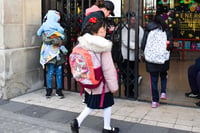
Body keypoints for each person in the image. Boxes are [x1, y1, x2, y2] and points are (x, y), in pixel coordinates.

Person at [70, 18, 119, 133]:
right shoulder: (103, 45)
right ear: (94, 32)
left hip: (89, 81)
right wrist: (113, 86)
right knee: (105, 104)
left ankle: (79, 122)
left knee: (92, 105)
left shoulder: (82, 43)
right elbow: (108, 68)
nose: (104, 33)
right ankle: (104, 127)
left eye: (105, 30)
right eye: (102, 31)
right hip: (102, 83)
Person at [141, 14, 173, 108]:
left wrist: (148, 53)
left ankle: (155, 101)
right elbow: (170, 45)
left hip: (151, 59)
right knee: (163, 75)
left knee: (153, 79)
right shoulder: (166, 31)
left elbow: (143, 45)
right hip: (163, 59)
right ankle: (163, 92)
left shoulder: (148, 30)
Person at [37, 10, 68, 99]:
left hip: (59, 55)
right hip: (50, 55)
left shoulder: (59, 27)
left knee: (59, 73)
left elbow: (64, 39)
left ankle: (59, 90)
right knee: (50, 72)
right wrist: (56, 41)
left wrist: (56, 41)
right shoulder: (47, 28)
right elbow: (45, 39)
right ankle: (49, 90)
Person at [120, 11, 144, 97]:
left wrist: (141, 52)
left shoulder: (139, 28)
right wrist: (137, 46)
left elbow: (142, 39)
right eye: (131, 18)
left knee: (134, 74)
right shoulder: (124, 28)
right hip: (126, 55)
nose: (133, 20)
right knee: (127, 75)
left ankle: (132, 90)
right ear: (127, 19)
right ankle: (128, 92)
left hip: (135, 55)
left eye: (134, 18)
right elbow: (125, 42)